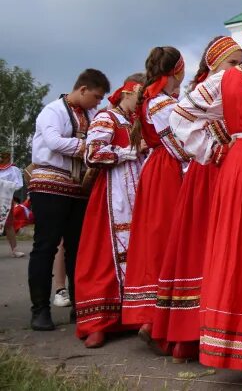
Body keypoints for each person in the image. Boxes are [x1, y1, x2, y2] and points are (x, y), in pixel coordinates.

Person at [170, 18, 242, 370]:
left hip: (238, 165)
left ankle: (233, 340)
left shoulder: (227, 78)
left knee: (237, 246)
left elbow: (181, 115)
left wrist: (210, 150)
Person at [152, 36, 242, 362]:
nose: (239, 67)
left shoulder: (231, 85)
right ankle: (187, 334)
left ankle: (206, 334)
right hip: (209, 172)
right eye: (233, 62)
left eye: (241, 61)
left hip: (223, 171)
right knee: (201, 247)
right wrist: (212, 150)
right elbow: (184, 125)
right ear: (214, 64)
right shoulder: (210, 89)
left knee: (218, 249)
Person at [27, 68, 110, 331]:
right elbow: (53, 141)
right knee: (46, 246)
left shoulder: (90, 114)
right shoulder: (53, 110)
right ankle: (39, 309)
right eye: (96, 96)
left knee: (77, 248)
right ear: (83, 89)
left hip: (78, 188)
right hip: (50, 184)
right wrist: (87, 147)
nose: (98, 102)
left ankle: (80, 306)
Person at [121, 47, 191, 346]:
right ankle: (159, 321)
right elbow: (179, 145)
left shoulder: (155, 98)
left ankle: (156, 318)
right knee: (166, 240)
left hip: (159, 168)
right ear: (178, 70)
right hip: (167, 171)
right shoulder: (161, 102)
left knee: (159, 239)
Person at [74, 74, 144, 348]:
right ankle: (97, 322)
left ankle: (131, 316)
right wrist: (130, 151)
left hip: (137, 193)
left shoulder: (136, 121)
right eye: (140, 95)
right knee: (104, 257)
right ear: (128, 92)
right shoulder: (107, 118)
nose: (143, 102)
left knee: (137, 252)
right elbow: (93, 154)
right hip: (111, 197)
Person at [1, 152, 25, 258]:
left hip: (5, 198)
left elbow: (19, 184)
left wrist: (3, 184)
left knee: (8, 224)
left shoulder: (14, 169)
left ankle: (14, 250)